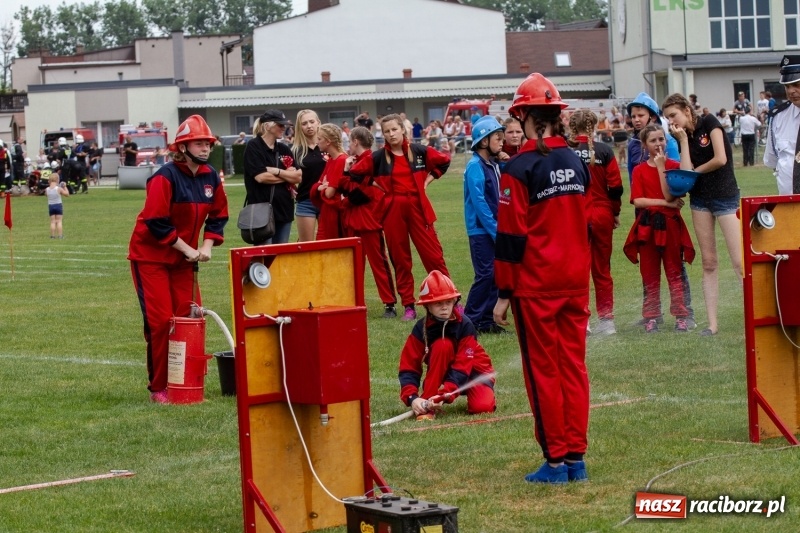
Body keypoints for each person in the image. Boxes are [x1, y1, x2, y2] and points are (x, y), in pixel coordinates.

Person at [493, 73, 591, 484]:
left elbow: (511, 235)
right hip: (574, 280)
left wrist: (502, 293)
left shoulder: (519, 167)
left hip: (536, 285)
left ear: (527, 117)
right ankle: (575, 459)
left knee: (544, 372)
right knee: (573, 367)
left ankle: (554, 462)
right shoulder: (575, 160)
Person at [127, 115, 229, 403]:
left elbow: (219, 215)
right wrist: (187, 248)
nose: (205, 148)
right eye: (198, 143)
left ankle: (185, 382)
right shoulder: (165, 176)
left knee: (189, 319)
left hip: (185, 259)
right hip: (151, 257)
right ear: (182, 147)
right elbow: (156, 221)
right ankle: (159, 387)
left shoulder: (210, 176)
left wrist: (207, 245)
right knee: (161, 323)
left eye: (207, 143)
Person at [348, 113, 451, 321]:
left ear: (402, 129)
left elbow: (444, 162)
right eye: (386, 131)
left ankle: (449, 299)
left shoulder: (419, 151)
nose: (391, 134)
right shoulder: (377, 157)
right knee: (401, 260)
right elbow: (355, 173)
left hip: (418, 208)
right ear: (382, 134)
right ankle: (408, 305)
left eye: (394, 129)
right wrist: (377, 184)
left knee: (433, 256)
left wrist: (427, 181)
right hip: (392, 210)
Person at [662, 93, 742, 337]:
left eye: (673, 115)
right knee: (709, 262)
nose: (671, 122)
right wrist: (683, 142)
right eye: (667, 119)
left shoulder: (709, 123)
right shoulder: (682, 136)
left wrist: (696, 171)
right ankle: (712, 325)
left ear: (687, 109)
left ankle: (754, 319)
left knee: (740, 263)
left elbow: (720, 158)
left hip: (726, 197)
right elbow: (686, 174)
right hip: (700, 201)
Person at [623, 124, 695, 333]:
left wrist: (663, 166)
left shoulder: (673, 165)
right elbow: (638, 200)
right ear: (645, 145)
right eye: (653, 140)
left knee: (674, 269)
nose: (658, 144)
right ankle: (652, 316)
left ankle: (681, 315)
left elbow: (671, 195)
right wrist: (666, 205)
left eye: (661, 139)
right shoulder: (639, 170)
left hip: (670, 226)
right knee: (649, 271)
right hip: (648, 226)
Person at [398, 270, 496, 420]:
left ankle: (477, 395)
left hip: (475, 372)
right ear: (427, 306)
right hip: (445, 368)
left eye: (448, 302)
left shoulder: (466, 326)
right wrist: (412, 397)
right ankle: (427, 404)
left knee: (482, 408)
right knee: (443, 346)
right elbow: (408, 365)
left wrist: (446, 394)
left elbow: (463, 365)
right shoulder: (420, 329)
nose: (444, 307)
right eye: (438, 303)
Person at [568, 109, 624, 335]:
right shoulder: (604, 150)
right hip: (602, 214)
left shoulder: (567, 152)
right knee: (602, 269)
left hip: (575, 216)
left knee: (577, 270)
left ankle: (583, 319)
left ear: (573, 126)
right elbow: (616, 187)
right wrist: (616, 212)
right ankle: (607, 319)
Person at [341, 126, 397, 318]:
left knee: (378, 264)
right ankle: (357, 303)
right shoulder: (357, 161)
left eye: (350, 140)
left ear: (356, 141)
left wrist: (344, 201)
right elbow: (348, 186)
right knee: (356, 266)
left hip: (368, 220)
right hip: (357, 220)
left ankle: (389, 303)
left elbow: (364, 192)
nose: (348, 144)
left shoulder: (371, 161)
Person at [463, 116, 506, 335]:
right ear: (483, 142)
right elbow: (479, 203)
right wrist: (495, 230)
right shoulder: (474, 166)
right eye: (497, 138)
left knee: (496, 275)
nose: (501, 141)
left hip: (493, 229)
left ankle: (487, 321)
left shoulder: (493, 164)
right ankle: (469, 320)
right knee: (485, 275)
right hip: (481, 231)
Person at [243, 109, 302, 245]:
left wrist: (276, 171)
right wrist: (288, 175)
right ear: (267, 126)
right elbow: (261, 177)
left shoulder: (284, 148)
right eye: (280, 125)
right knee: (264, 256)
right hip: (261, 212)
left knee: (279, 257)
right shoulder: (254, 146)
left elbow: (298, 177)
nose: (283, 128)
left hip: (284, 210)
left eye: (284, 125)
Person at [765, 55, 800, 195]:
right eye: (787, 86)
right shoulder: (778, 117)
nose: (791, 91)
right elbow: (772, 159)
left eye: (797, 85)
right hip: (787, 202)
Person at [626, 92, 680, 182]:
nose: (636, 120)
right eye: (633, 116)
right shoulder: (633, 143)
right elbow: (632, 176)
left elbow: (675, 174)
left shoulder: (668, 140)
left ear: (653, 117)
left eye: (641, 115)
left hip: (664, 193)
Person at [292, 109, 326, 242]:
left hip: (327, 201)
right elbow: (290, 176)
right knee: (306, 246)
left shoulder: (328, 146)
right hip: (305, 201)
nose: (309, 126)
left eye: (312, 122)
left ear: (318, 122)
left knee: (329, 243)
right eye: (304, 123)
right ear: (299, 127)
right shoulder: (295, 151)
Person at [309, 123, 347, 240]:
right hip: (327, 214)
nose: (317, 142)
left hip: (336, 217)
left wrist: (322, 188)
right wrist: (321, 187)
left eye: (319, 139)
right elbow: (318, 185)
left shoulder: (341, 160)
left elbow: (329, 193)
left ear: (328, 142)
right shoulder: (331, 160)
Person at [46, 173, 70, 238]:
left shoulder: (47, 189)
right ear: (57, 180)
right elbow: (67, 194)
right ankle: (60, 235)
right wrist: (65, 187)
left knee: (52, 222)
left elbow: (46, 195)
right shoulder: (58, 189)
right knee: (59, 221)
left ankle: (52, 235)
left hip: (51, 206)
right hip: (58, 205)